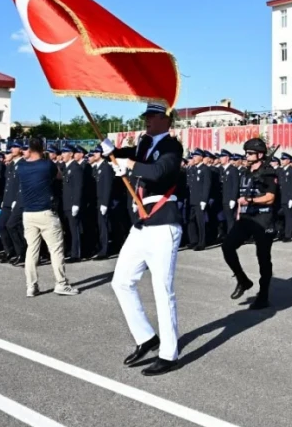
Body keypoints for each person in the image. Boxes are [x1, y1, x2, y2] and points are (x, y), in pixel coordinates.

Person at [105, 103, 185, 377]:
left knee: (162, 290)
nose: (147, 120)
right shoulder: (144, 145)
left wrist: (129, 165)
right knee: (121, 282)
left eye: (152, 116)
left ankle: (169, 353)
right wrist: (109, 149)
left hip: (163, 223)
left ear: (166, 119)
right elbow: (116, 157)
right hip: (141, 224)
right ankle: (146, 338)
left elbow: (158, 172)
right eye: (146, 116)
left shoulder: (172, 147)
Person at [16, 138, 79, 297]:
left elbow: (25, 161)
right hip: (46, 212)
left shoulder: (21, 166)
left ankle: (31, 286)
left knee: (31, 251)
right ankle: (61, 284)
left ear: (29, 150)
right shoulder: (47, 165)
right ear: (42, 150)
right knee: (56, 250)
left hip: (28, 213)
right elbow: (59, 176)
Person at [221, 138, 278, 310]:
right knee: (227, 246)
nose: (247, 155)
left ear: (260, 154)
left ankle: (263, 295)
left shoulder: (269, 172)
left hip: (263, 219)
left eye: (251, 153)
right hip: (246, 218)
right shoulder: (245, 172)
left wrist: (251, 200)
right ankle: (242, 279)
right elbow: (241, 195)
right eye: (246, 152)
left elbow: (270, 198)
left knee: (263, 258)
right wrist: (239, 212)